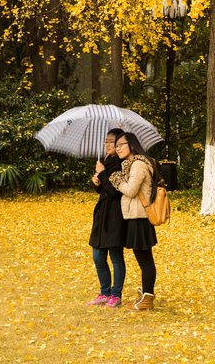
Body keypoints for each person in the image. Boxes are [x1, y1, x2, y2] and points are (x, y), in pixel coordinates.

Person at [109, 131, 159, 311]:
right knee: (143, 259)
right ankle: (145, 295)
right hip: (135, 217)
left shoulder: (138, 165)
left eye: (121, 144)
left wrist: (116, 179)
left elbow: (130, 190)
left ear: (132, 145)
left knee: (145, 260)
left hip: (140, 218)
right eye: (117, 145)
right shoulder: (132, 164)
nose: (118, 148)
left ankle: (147, 299)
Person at [86, 128, 127, 307]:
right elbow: (104, 189)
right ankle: (104, 292)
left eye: (112, 142)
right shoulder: (106, 162)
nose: (108, 145)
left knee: (115, 256)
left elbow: (114, 191)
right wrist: (97, 182)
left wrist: (102, 174)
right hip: (102, 214)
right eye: (106, 141)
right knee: (98, 256)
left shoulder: (122, 164)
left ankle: (115, 294)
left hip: (115, 215)